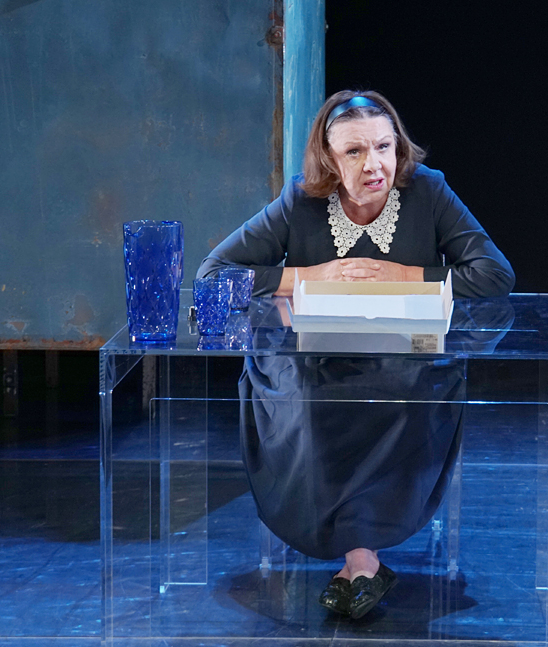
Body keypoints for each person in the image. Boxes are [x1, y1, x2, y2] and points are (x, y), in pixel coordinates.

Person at [196, 90, 515, 618]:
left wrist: (403, 275)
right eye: (355, 152)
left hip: (404, 359)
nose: (375, 165)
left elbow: (495, 274)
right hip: (313, 363)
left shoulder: (428, 191)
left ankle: (360, 560)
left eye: (385, 147)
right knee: (306, 397)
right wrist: (308, 276)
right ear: (328, 159)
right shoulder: (299, 201)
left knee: (396, 390)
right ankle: (361, 561)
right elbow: (213, 274)